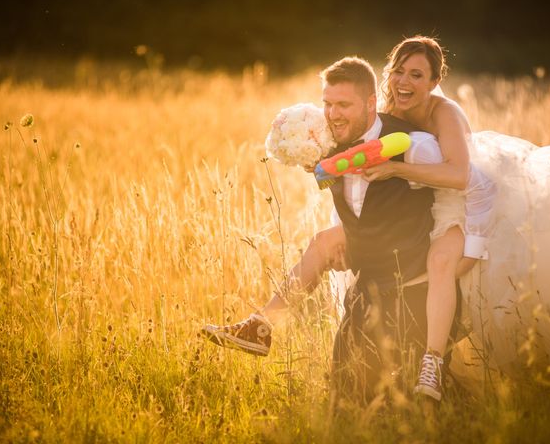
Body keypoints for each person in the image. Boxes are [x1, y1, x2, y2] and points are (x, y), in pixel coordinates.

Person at [203, 38, 497, 402]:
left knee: (440, 263)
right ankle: (262, 326)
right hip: (395, 224)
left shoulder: (429, 131)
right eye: (399, 72)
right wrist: (321, 167)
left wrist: (474, 238)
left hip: (455, 201)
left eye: (417, 74)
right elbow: (360, 183)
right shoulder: (365, 120)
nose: (404, 81)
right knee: (324, 243)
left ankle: (432, 362)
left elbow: (468, 178)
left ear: (435, 82)